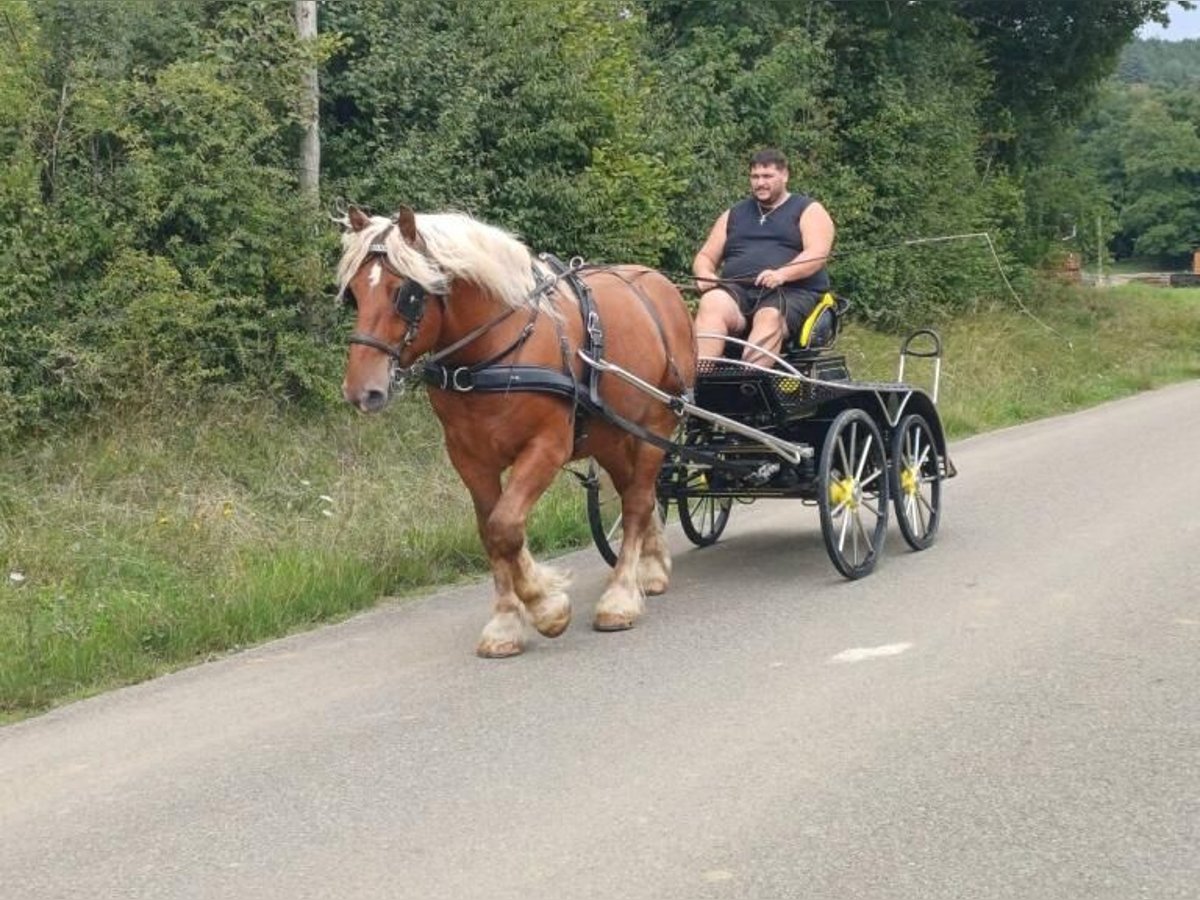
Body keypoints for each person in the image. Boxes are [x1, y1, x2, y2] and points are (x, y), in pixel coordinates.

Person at [693, 148, 835, 365]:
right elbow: (705, 256)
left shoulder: (808, 209)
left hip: (791, 292)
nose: (760, 183)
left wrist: (783, 274)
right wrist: (704, 273)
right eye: (755, 177)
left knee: (768, 315)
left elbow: (817, 254)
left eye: (767, 176)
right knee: (712, 302)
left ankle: (751, 382)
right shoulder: (734, 213)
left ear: (785, 175)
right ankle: (699, 382)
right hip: (739, 290)